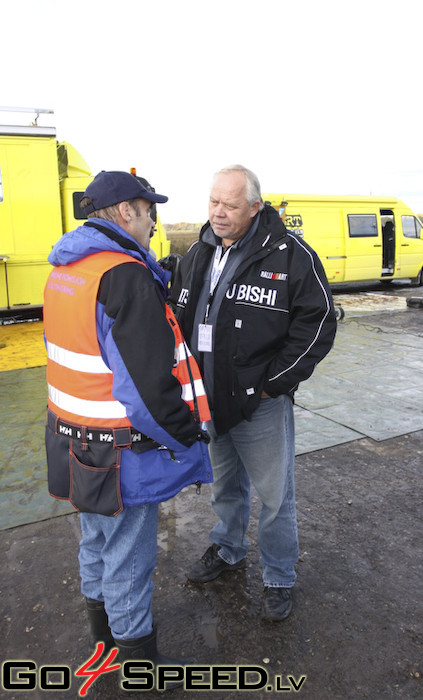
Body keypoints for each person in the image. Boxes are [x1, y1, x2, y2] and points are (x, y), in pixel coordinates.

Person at [43, 170, 212, 686]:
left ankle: (104, 641)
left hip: (72, 437)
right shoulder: (124, 275)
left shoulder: (67, 266)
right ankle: (139, 665)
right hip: (120, 453)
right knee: (130, 560)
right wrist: (187, 434)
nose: (153, 221)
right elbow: (144, 391)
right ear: (124, 213)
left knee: (94, 541)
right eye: (148, 210)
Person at [170, 165, 336, 621]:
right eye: (213, 202)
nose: (218, 214)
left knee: (275, 495)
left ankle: (279, 575)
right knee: (225, 485)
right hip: (210, 397)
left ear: (255, 208)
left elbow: (318, 321)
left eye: (230, 205)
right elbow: (178, 312)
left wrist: (273, 384)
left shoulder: (288, 255)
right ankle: (228, 549)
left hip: (259, 403)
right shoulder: (199, 251)